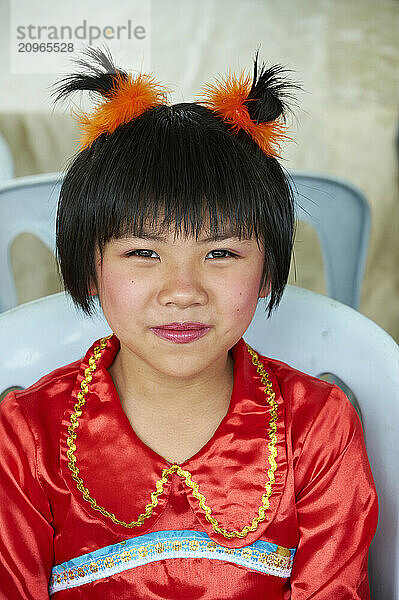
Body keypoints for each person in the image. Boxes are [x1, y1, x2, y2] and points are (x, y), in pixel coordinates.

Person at [0, 47, 378, 599]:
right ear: (88, 269)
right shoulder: (29, 433)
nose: (183, 292)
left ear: (268, 269)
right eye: (142, 253)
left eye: (221, 253)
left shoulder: (317, 426)